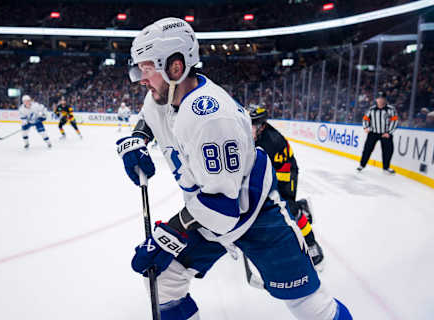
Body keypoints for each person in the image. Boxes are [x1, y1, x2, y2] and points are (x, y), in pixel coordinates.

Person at [116, 17, 351, 320]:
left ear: (175, 67)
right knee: (163, 279)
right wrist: (138, 138)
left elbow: (223, 209)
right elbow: (150, 115)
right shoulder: (165, 93)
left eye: (146, 70)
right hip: (207, 213)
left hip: (255, 217)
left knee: (312, 307)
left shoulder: (210, 118)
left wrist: (169, 233)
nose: (140, 80)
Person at [249, 106, 324, 268]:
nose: (249, 128)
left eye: (253, 125)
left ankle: (311, 242)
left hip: (285, 172)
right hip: (271, 170)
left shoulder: (272, 142)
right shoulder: (254, 135)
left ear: (262, 126)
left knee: (289, 207)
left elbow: (271, 173)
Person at [357, 91, 398, 174]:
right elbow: (365, 118)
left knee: (388, 151)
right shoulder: (371, 109)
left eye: (382, 98)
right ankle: (362, 165)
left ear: (385, 99)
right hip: (373, 133)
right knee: (367, 149)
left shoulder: (391, 109)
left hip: (385, 133)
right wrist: (366, 127)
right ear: (376, 99)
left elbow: (394, 121)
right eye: (379, 98)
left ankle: (386, 168)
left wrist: (389, 132)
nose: (380, 100)